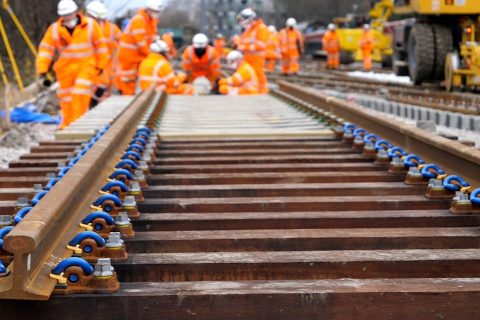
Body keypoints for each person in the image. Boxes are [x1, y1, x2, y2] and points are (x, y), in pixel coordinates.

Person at [36, 0, 108, 129]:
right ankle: (67, 123)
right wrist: (42, 70)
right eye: (65, 15)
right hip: (65, 69)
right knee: (66, 98)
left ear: (76, 12)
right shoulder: (55, 30)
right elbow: (46, 50)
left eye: (69, 14)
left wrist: (101, 65)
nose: (67, 17)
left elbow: (101, 47)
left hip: (86, 65)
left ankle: (78, 122)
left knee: (80, 93)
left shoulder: (90, 25)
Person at [115, 0, 163, 95]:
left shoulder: (151, 21)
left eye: (158, 12)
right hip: (129, 55)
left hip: (137, 54)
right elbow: (140, 42)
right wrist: (150, 54)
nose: (157, 14)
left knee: (134, 78)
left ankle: (130, 95)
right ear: (148, 10)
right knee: (127, 78)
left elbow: (152, 37)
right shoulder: (139, 20)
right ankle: (126, 96)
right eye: (155, 11)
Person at [85, 1, 122, 105]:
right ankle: (92, 105)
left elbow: (123, 42)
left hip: (106, 65)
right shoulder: (83, 28)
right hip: (89, 64)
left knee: (102, 87)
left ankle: (94, 105)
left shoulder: (111, 28)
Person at [237, 8, 270, 93]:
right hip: (248, 58)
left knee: (258, 75)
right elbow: (243, 41)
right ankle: (254, 91)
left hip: (257, 58)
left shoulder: (262, 28)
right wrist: (237, 43)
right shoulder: (249, 29)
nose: (241, 22)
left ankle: (263, 92)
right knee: (249, 76)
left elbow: (262, 45)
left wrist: (243, 47)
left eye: (242, 19)